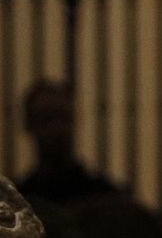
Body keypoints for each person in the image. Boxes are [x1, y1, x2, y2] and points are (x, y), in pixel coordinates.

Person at [16, 79, 118, 207]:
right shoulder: (16, 200)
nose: (55, 128)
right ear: (29, 123)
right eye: (46, 118)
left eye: (62, 117)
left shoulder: (106, 199)